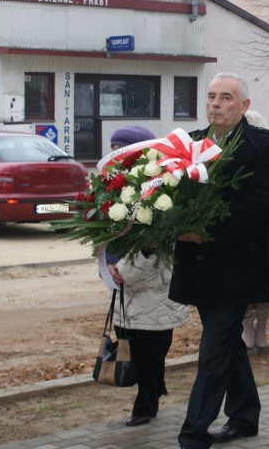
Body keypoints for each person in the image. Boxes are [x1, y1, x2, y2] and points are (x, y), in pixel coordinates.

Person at [170, 72, 269, 449]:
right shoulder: (189, 143)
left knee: (215, 346)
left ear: (244, 106)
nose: (217, 104)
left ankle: (193, 433)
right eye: (211, 97)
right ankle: (245, 416)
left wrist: (209, 233)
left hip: (237, 265)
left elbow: (263, 204)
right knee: (227, 344)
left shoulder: (263, 145)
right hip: (197, 264)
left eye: (226, 97)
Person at [100, 126, 189, 427]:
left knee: (149, 353)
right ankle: (153, 391)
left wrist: (121, 269)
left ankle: (145, 407)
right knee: (132, 348)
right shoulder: (116, 189)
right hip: (127, 289)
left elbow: (154, 246)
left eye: (122, 149)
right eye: (113, 148)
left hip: (153, 288)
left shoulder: (161, 188)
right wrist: (109, 263)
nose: (116, 156)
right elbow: (111, 235)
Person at [239, 110, 269, 350]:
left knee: (257, 285)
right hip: (259, 234)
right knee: (257, 285)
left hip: (259, 233)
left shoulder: (266, 159)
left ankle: (256, 329)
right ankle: (253, 330)